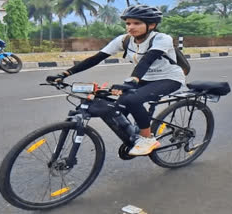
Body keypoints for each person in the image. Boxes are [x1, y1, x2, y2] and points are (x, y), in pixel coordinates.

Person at [46, 5, 185, 156]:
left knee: (132, 100)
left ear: (151, 25)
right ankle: (134, 133)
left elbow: (147, 60)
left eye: (136, 23)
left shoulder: (162, 39)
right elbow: (96, 58)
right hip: (144, 79)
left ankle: (147, 139)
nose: (131, 27)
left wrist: (132, 81)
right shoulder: (124, 40)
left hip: (169, 78)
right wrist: (65, 73)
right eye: (128, 23)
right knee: (117, 106)